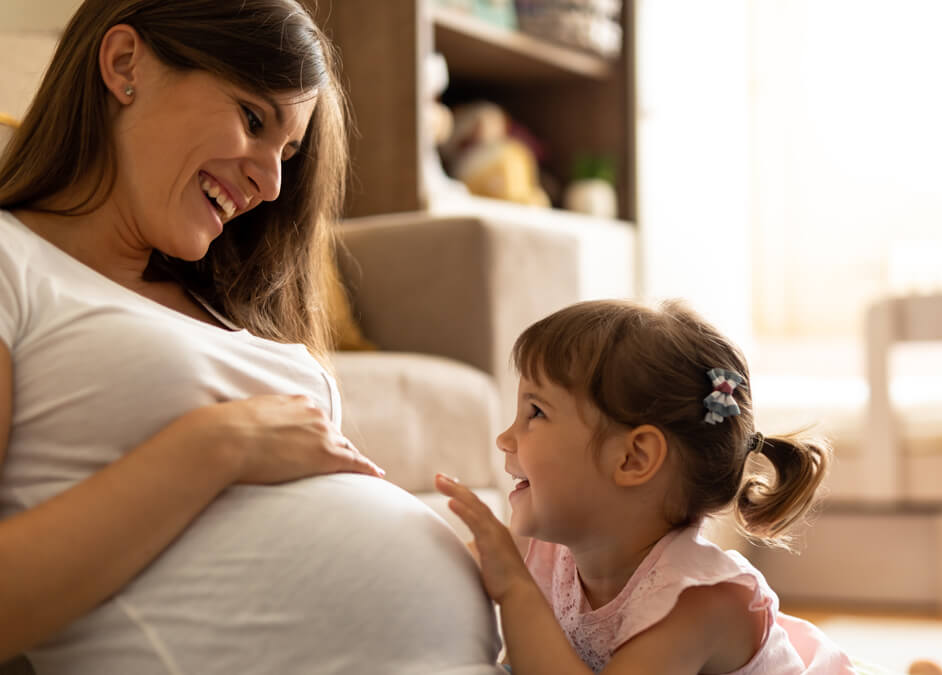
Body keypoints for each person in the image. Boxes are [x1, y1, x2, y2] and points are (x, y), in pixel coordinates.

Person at [0, 1, 505, 672]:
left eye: (287, 153)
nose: (270, 184)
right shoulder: (13, 261)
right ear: (125, 65)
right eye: (251, 118)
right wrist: (217, 444)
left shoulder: (221, 300)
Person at [436, 298, 858, 674]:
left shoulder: (699, 604)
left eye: (536, 412)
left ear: (633, 458)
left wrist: (515, 589)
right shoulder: (547, 549)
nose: (505, 439)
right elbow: (434, 571)